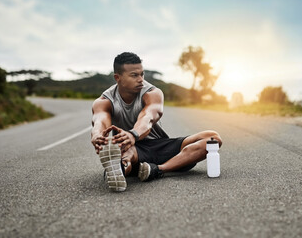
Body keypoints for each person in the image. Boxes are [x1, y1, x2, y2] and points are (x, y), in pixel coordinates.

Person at [91, 52, 222, 191]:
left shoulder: (152, 92)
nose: (140, 79)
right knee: (126, 152)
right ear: (118, 78)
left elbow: (148, 117)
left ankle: (157, 169)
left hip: (160, 146)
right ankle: (120, 168)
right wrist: (97, 135)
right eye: (134, 75)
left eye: (142, 74)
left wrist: (133, 134)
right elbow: (100, 122)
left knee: (212, 138)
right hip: (133, 149)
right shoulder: (104, 101)